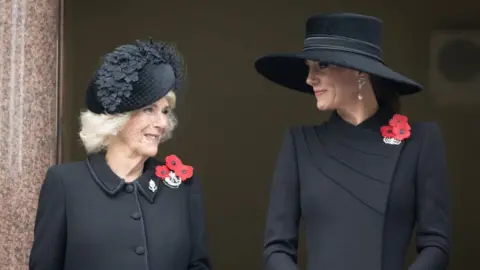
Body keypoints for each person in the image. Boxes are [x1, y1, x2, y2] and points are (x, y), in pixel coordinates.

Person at [254, 13, 451, 270]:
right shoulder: (300, 144)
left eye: (321, 66)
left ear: (360, 72)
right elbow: (277, 248)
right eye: (309, 67)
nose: (309, 79)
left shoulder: (420, 141)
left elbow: (436, 244)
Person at [29, 39, 212, 270]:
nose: (162, 123)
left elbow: (199, 265)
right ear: (116, 118)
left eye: (165, 111)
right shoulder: (65, 184)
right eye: (149, 109)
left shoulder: (182, 186)